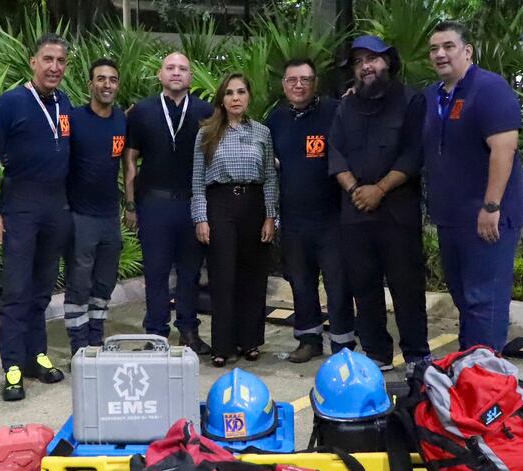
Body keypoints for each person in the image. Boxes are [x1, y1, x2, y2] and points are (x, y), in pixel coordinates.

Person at [0, 33, 72, 402]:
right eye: (47, 59)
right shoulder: (10, 103)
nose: (54, 67)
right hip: (20, 203)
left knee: (43, 288)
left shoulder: (64, 103)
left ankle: (36, 355)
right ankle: (13, 366)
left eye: (60, 61)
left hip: (55, 205)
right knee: (17, 289)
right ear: (33, 62)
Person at [328, 35, 431, 375]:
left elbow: (414, 153)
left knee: (407, 287)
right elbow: (336, 152)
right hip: (355, 214)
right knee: (364, 286)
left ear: (388, 62)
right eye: (358, 61)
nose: (365, 66)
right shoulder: (347, 105)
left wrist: (381, 189)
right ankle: (376, 353)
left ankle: (417, 355)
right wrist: (357, 189)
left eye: (372, 58)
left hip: (397, 215)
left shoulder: (411, 101)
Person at [424, 21, 523, 353]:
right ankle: (470, 369)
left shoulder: (489, 89)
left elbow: (504, 149)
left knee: (486, 301)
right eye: (434, 48)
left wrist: (491, 206)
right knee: (465, 299)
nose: (440, 54)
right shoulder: (433, 96)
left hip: (487, 217)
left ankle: (489, 378)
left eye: (448, 46)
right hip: (450, 219)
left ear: (467, 51)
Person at [265, 59, 356, 363]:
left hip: (332, 218)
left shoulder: (334, 111)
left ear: (315, 82)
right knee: (300, 283)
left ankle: (343, 344)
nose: (299, 85)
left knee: (338, 283)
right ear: (284, 85)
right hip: (293, 220)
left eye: (305, 79)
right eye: (293, 80)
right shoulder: (275, 121)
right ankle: (309, 339)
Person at [123, 52, 213, 354]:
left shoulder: (207, 112)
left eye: (183, 69)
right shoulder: (142, 111)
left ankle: (188, 329)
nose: (177, 73)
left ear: (191, 77)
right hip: (154, 204)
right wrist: (131, 203)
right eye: (170, 68)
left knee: (190, 272)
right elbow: (130, 159)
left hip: (192, 204)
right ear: (160, 75)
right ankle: (156, 333)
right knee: (156, 272)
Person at [191, 72, 278, 368]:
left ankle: (250, 340)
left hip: (254, 205)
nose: (236, 98)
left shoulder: (262, 133)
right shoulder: (207, 133)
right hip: (220, 205)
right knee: (223, 276)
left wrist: (270, 216)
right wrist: (201, 218)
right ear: (222, 99)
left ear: (248, 96)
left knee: (253, 277)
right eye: (229, 93)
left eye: (241, 92)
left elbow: (269, 178)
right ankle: (222, 345)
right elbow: (197, 180)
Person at [63, 58, 126, 353]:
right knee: (79, 284)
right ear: (90, 84)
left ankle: (95, 340)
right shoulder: (74, 119)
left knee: (104, 283)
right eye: (101, 79)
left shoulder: (122, 121)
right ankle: (78, 346)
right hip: (79, 216)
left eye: (112, 79)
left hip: (110, 217)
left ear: (118, 85)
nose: (107, 84)